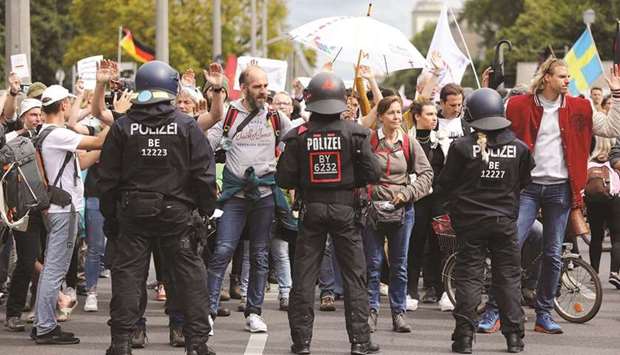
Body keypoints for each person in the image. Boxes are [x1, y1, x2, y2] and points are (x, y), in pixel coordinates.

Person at [479, 58, 620, 335]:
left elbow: (612, 129)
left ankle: (543, 314)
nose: (568, 80)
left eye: (568, 76)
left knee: (554, 254)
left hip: (561, 190)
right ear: (546, 78)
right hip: (526, 189)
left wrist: (616, 94)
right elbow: (491, 122)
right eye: (562, 76)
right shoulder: (519, 105)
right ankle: (494, 310)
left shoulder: (580, 107)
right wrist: (486, 93)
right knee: (510, 247)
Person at [97, 60, 217, 355]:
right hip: (177, 215)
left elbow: (107, 178)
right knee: (190, 279)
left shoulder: (123, 126)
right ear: (172, 88)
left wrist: (110, 217)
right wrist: (206, 210)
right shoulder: (187, 125)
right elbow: (204, 175)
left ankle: (122, 343)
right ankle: (197, 344)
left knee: (128, 278)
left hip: (132, 214)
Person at [276, 72, 383, 355]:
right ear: (340, 100)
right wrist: (353, 177)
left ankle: (301, 343)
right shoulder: (355, 133)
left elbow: (283, 179)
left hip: (311, 210)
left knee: (304, 278)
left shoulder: (299, 136)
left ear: (310, 99)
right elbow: (374, 172)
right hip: (346, 209)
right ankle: (360, 342)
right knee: (354, 276)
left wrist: (304, 177)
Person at [438, 88, 534, 354]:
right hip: (504, 222)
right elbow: (524, 181)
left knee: (469, 279)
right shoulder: (519, 148)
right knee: (508, 280)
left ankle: (464, 340)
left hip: (471, 224)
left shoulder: (461, 147)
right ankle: (514, 339)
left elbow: (445, 183)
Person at [205, 65, 292, 334]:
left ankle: (254, 313)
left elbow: (297, 141)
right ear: (244, 88)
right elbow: (205, 146)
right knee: (222, 252)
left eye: (266, 86)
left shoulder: (276, 117)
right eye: (258, 86)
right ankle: (207, 313)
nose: (264, 91)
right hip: (234, 197)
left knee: (260, 256)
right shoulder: (230, 114)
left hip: (265, 197)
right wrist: (210, 185)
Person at [33, 85, 108, 345]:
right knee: (55, 270)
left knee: (51, 270)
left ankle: (43, 323)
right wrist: (116, 118)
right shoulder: (58, 134)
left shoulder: (46, 134)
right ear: (64, 105)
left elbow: (83, 161)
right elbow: (99, 141)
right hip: (63, 211)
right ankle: (44, 327)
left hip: (57, 209)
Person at [363, 96, 433, 333]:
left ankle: (398, 313)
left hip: (403, 211)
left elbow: (426, 174)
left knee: (399, 265)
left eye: (397, 112)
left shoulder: (408, 142)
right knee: (373, 264)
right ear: (381, 116)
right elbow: (356, 172)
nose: (395, 117)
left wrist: (408, 193)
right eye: (391, 112)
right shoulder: (369, 140)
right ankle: (371, 311)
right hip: (372, 211)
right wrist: (367, 193)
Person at [3, 99, 45, 332]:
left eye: (40, 114)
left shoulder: (48, 137)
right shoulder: (10, 140)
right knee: (27, 261)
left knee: (47, 260)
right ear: (22, 117)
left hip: (48, 207)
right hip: (22, 209)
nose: (37, 119)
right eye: (32, 115)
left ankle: (40, 308)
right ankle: (13, 312)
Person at [586, 137, 620, 286]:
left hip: (594, 197)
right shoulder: (615, 159)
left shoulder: (589, 161)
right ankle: (614, 272)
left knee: (596, 236)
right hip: (614, 197)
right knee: (617, 237)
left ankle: (594, 273)